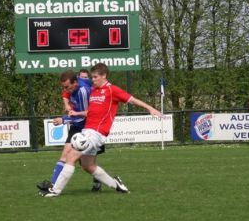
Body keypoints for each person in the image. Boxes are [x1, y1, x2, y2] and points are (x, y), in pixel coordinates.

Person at [38, 62, 161, 197]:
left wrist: (150, 108)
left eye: (96, 77)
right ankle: (116, 185)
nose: (93, 79)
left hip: (96, 132)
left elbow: (132, 100)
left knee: (70, 157)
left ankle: (55, 190)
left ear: (104, 76)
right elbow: (78, 100)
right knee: (88, 166)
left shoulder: (112, 90)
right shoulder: (93, 90)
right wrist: (70, 111)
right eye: (92, 77)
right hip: (87, 131)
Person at [36, 70, 102, 193]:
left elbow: (85, 115)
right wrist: (66, 104)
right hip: (76, 125)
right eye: (64, 87)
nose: (65, 89)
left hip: (87, 127)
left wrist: (64, 120)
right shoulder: (73, 85)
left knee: (87, 164)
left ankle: (98, 178)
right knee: (65, 155)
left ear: (75, 83)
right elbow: (66, 94)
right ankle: (52, 185)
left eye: (67, 87)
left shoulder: (83, 92)